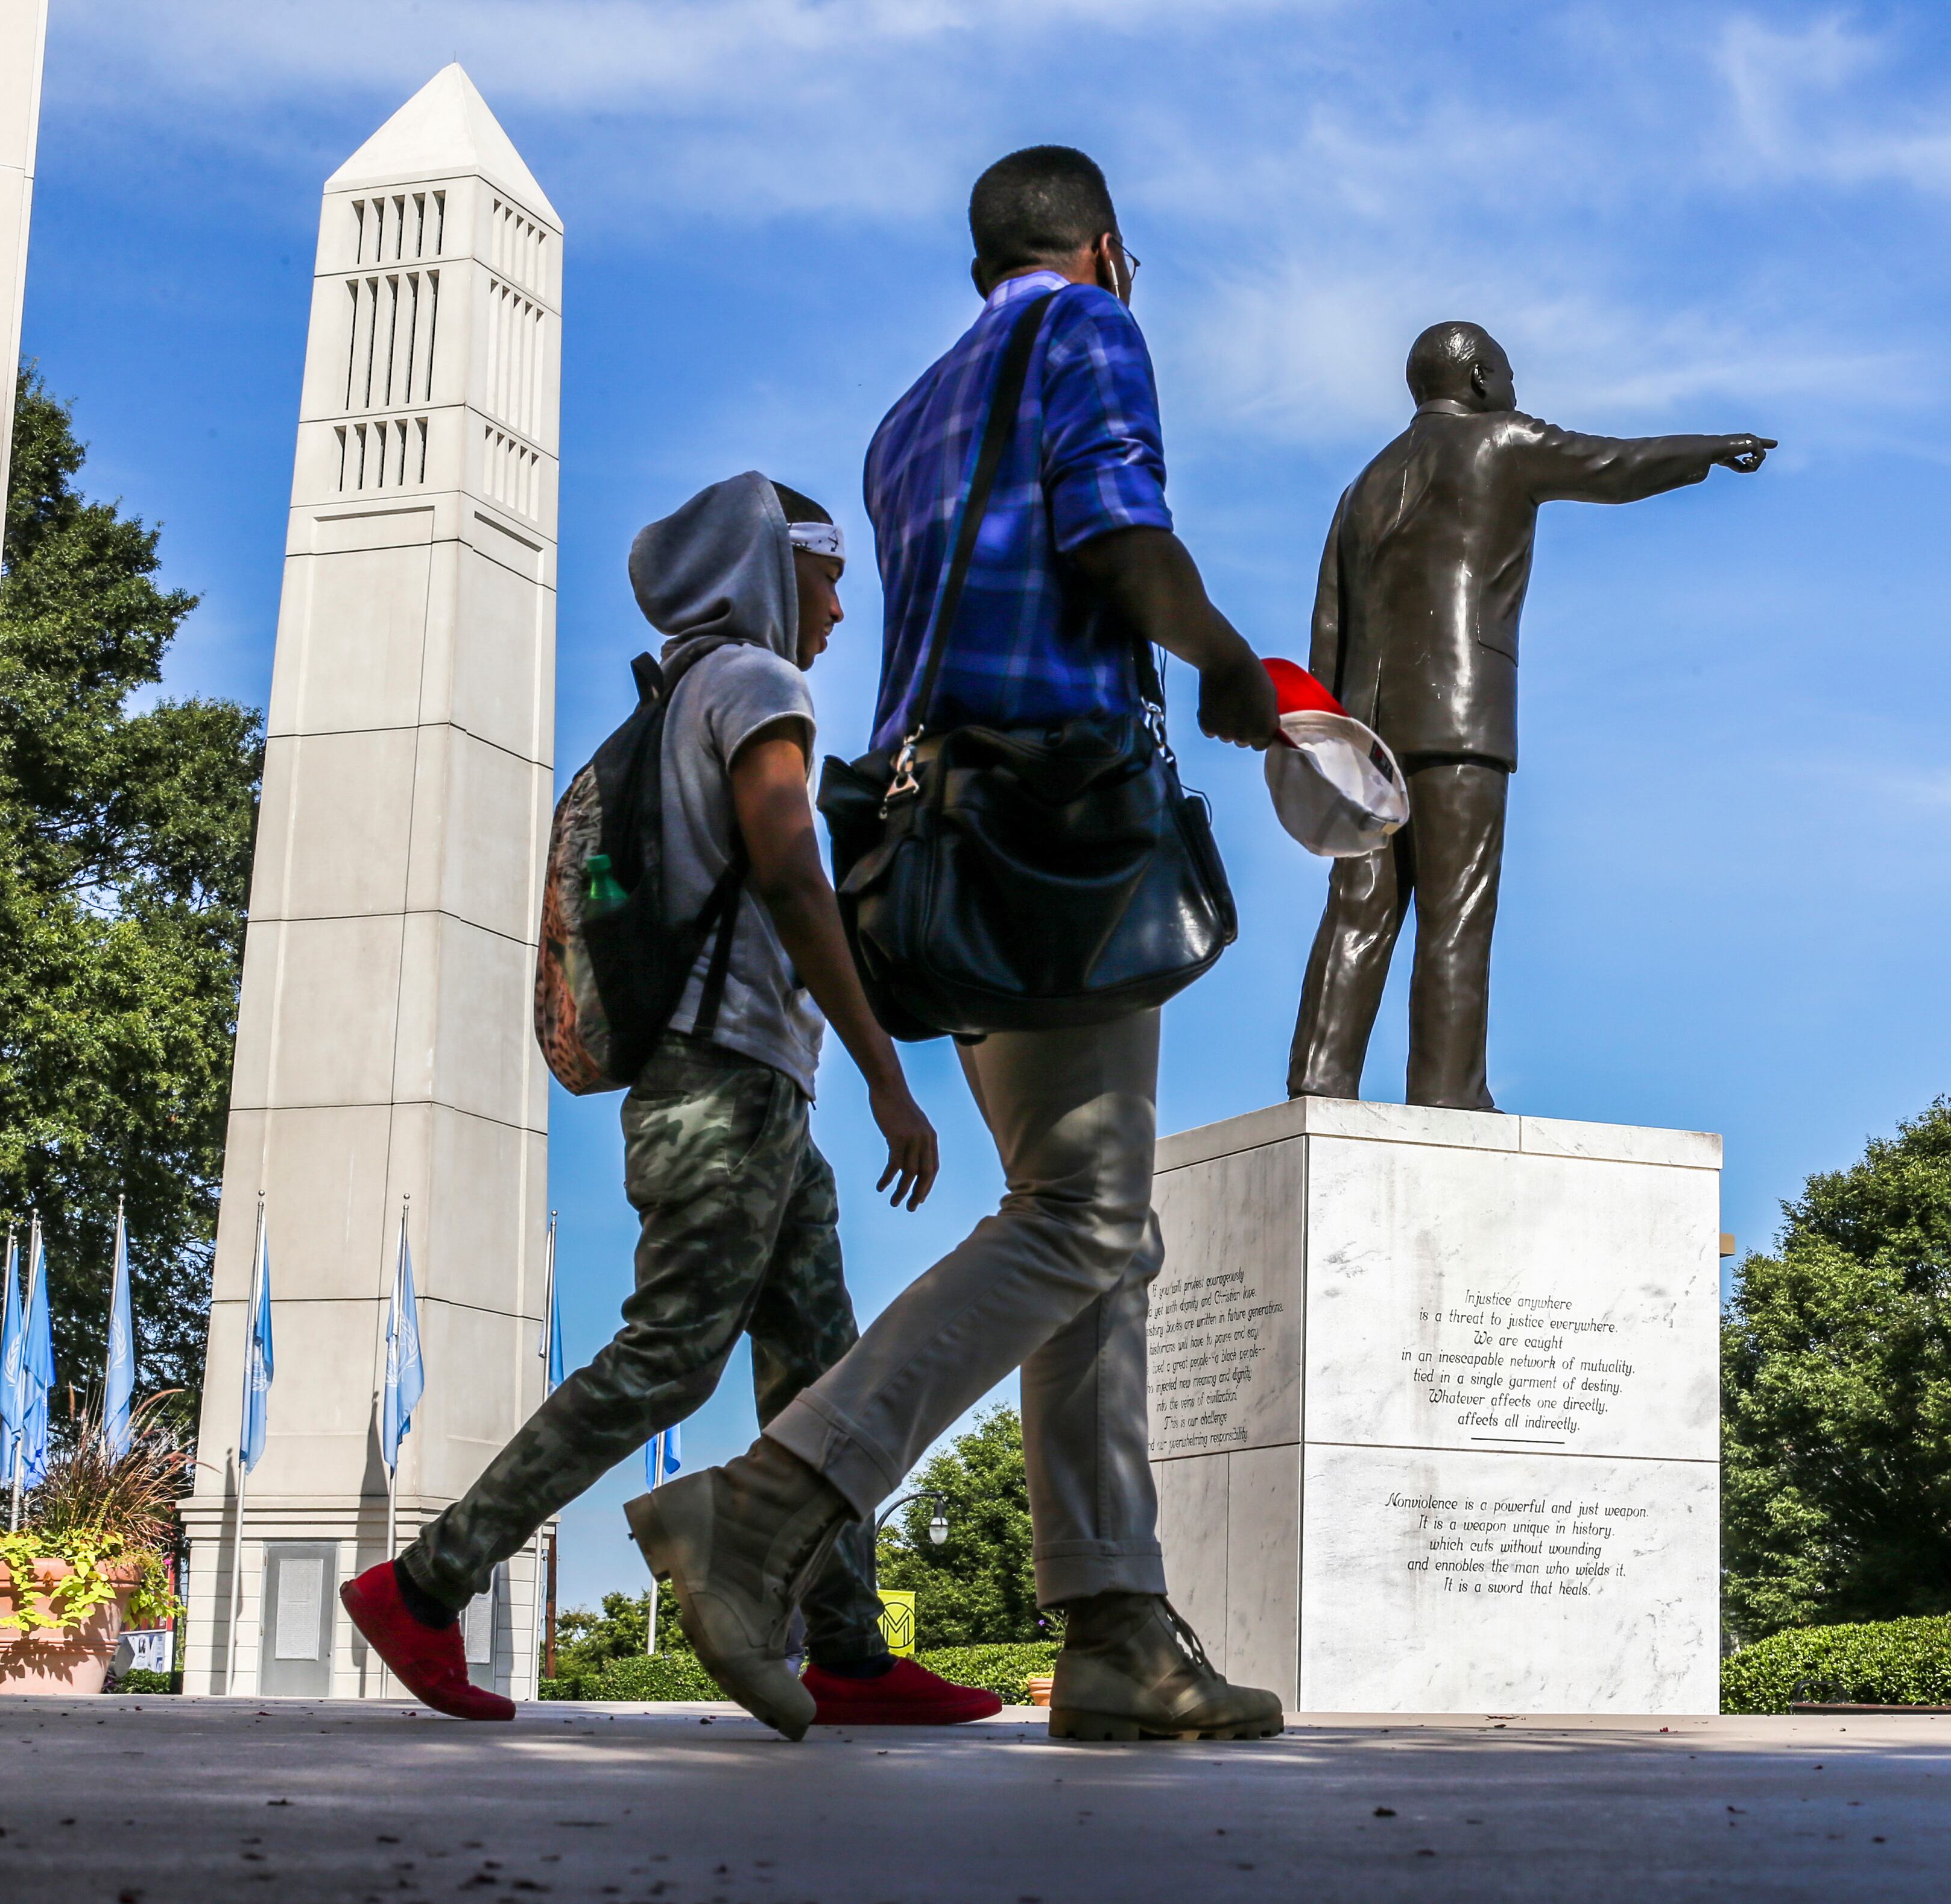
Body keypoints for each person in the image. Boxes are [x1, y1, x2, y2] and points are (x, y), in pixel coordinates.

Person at [623, 147, 1286, 1742]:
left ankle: (1118, 1622)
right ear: (1105, 247)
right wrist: (1228, 661)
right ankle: (771, 1504)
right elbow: (1120, 541)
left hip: (932, 848)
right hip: (1054, 829)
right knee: (1084, 1213)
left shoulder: (904, 412)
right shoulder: (1088, 330)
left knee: (1091, 1222)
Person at [341, 473, 999, 1728]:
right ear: (769, 569)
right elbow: (794, 874)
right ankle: (426, 1585)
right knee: (670, 1357)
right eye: (828, 572)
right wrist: (884, 1068)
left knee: (821, 1365)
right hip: (727, 1087)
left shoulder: (684, 691)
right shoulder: (757, 683)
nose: (843, 605)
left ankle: (850, 1653)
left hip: (742, 1090)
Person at [1286, 321, 1776, 1110]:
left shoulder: (1364, 484)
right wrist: (1711, 448)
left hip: (1360, 730)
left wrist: (1322, 738)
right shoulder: (1501, 441)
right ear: (1480, 377)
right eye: (1508, 372)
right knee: (1456, 908)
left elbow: (1329, 624)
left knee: (1357, 909)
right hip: (1458, 714)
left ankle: (1319, 1079)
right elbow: (1612, 464)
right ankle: (1447, 1090)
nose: (1516, 387)